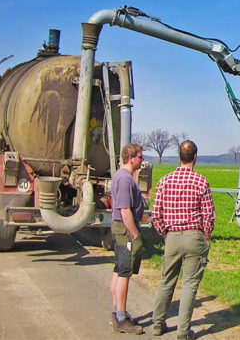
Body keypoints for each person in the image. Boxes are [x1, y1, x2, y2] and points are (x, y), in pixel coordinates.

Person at [151, 140, 215, 340]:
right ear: (194, 157)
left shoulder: (165, 181)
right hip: (194, 235)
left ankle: (157, 324)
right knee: (189, 285)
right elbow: (209, 214)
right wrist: (206, 235)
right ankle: (182, 332)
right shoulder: (201, 181)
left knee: (167, 281)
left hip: (172, 236)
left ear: (180, 156)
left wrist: (165, 233)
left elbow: (156, 213)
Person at [109, 143, 146, 334]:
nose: (142, 160)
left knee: (118, 269)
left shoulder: (122, 176)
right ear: (131, 158)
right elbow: (125, 210)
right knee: (125, 272)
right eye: (140, 157)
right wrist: (135, 234)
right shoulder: (124, 179)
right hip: (125, 231)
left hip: (120, 230)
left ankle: (117, 312)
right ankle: (121, 319)